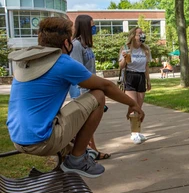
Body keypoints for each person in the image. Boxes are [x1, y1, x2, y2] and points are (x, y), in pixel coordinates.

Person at [6, 17, 145, 178]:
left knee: (71, 139)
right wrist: (133, 104)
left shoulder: (27, 62)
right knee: (98, 95)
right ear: (66, 42)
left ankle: (76, 158)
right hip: (42, 141)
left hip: (18, 138)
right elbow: (106, 86)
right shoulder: (62, 62)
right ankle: (77, 159)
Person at [69, 14, 111, 160]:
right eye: (92, 25)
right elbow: (78, 72)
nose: (95, 28)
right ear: (85, 27)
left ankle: (90, 151)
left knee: (89, 124)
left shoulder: (85, 46)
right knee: (86, 124)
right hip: (81, 91)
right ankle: (90, 151)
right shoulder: (76, 45)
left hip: (90, 90)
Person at [119, 27, 151, 144]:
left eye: (143, 33)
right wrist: (124, 57)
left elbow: (146, 66)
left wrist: (148, 81)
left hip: (141, 77)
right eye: (140, 33)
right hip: (130, 76)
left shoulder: (146, 49)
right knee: (134, 106)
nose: (142, 35)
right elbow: (121, 66)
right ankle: (134, 133)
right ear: (133, 36)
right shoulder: (126, 48)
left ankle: (137, 131)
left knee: (139, 106)